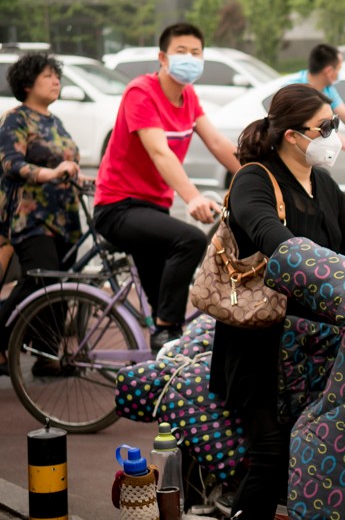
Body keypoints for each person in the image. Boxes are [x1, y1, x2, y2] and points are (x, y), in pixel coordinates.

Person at [209, 84, 345, 520]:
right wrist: (315, 262)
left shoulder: (322, 182)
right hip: (259, 343)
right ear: (291, 135)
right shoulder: (254, 179)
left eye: (335, 125)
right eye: (325, 127)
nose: (333, 135)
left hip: (315, 343)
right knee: (272, 450)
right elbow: (269, 234)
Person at [94, 23, 241, 350]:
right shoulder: (141, 92)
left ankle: (162, 356)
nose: (189, 58)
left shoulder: (188, 96)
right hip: (119, 206)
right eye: (181, 51)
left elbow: (217, 142)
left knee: (164, 295)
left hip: (153, 209)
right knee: (189, 240)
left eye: (196, 53)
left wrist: (258, 178)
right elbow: (159, 151)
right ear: (162, 57)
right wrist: (192, 197)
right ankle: (165, 333)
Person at [0, 53, 83, 377]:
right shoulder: (16, 118)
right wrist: (51, 174)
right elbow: (11, 163)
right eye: (48, 76)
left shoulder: (53, 120)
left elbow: (67, 164)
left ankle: (47, 354)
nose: (55, 81)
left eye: (56, 76)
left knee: (61, 281)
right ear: (27, 83)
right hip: (29, 216)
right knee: (40, 278)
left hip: (64, 216)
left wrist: (79, 177)